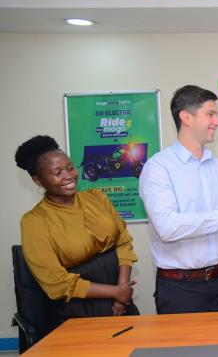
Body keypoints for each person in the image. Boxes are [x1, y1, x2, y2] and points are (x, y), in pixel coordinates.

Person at [139, 85, 218, 314]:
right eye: (210, 114)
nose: (217, 121)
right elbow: (167, 227)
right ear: (186, 117)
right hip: (180, 289)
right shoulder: (158, 168)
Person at [15, 135, 139, 334]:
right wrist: (116, 292)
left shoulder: (97, 197)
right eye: (57, 172)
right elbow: (56, 283)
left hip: (121, 303)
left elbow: (123, 241)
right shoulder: (34, 221)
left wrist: (121, 290)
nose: (69, 176)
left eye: (70, 167)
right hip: (76, 312)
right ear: (37, 180)